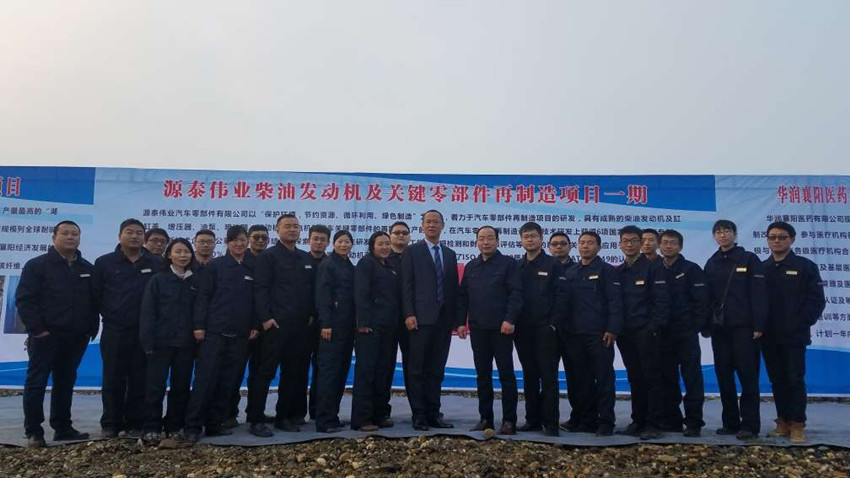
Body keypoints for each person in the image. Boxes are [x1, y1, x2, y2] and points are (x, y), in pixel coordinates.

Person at [16, 220, 97, 448]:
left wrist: (90, 328)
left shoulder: (87, 268)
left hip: (76, 336)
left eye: (75, 234)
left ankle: (62, 427)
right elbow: (25, 300)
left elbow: (94, 301)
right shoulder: (37, 265)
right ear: (54, 238)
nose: (70, 237)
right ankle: (33, 431)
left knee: (65, 381)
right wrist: (38, 330)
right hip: (45, 336)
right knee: (37, 382)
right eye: (65, 233)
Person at [183, 226, 259, 442]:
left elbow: (257, 299)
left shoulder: (252, 268)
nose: (239, 244)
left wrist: (255, 325)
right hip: (214, 333)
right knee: (205, 380)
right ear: (227, 243)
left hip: (240, 335)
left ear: (247, 242)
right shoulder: (215, 267)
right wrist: (199, 326)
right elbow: (203, 298)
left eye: (242, 240)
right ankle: (192, 426)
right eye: (234, 240)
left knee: (228, 381)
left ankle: (214, 424)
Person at [248, 214, 316, 437]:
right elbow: (260, 289)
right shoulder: (268, 257)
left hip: (300, 326)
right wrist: (266, 318)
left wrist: (310, 315)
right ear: (278, 230)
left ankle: (283, 417)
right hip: (275, 325)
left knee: (293, 373)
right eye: (287, 226)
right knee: (265, 372)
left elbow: (310, 291)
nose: (292, 230)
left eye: (296, 226)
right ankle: (256, 419)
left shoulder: (304, 257)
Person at [94, 218, 162, 438]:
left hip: (144, 331)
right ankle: (111, 423)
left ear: (144, 237)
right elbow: (95, 295)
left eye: (139, 233)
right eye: (129, 232)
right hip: (115, 329)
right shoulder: (105, 263)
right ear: (119, 235)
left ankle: (135, 422)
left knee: (140, 378)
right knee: (112, 378)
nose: (134, 236)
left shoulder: (156, 262)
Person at [762, 221, 826, 443]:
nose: (777, 241)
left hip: (794, 335)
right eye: (772, 237)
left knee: (794, 379)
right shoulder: (763, 268)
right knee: (777, 380)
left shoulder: (805, 266)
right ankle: (783, 421)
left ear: (792, 239)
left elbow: (816, 301)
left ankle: (798, 424)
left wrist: (800, 323)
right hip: (768, 336)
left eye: (782, 237)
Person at [704, 219, 768, 440]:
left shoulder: (749, 259)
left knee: (748, 376)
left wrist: (759, 324)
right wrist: (706, 325)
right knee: (724, 376)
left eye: (727, 231)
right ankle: (730, 423)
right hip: (720, 330)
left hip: (745, 328)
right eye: (718, 232)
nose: (722, 235)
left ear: (735, 234)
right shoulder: (711, 263)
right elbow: (706, 298)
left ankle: (750, 425)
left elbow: (759, 294)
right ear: (714, 236)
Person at [457, 226, 522, 435]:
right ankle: (485, 418)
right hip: (478, 329)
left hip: (501, 329)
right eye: (482, 239)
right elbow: (463, 297)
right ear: (476, 242)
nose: (486, 242)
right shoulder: (471, 266)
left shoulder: (508, 264)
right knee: (482, 375)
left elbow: (516, 294)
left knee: (506, 375)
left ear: (498, 241)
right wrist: (461, 323)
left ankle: (509, 420)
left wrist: (510, 319)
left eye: (490, 238)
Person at [401, 210, 459, 431]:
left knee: (436, 368)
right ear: (422, 226)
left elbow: (452, 288)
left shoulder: (450, 254)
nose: (432, 225)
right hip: (419, 318)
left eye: (436, 222)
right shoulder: (412, 251)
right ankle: (419, 415)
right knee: (417, 368)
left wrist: (456, 319)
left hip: (443, 320)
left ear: (443, 225)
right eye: (428, 222)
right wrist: (409, 313)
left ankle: (434, 413)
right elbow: (406, 285)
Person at [561, 231, 622, 436]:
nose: (585, 246)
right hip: (574, 335)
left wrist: (612, 329)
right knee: (581, 380)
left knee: (603, 379)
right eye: (582, 243)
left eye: (590, 243)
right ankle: (585, 419)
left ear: (599, 247)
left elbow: (615, 301)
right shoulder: (572, 271)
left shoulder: (607, 271)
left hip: (599, 335)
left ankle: (605, 421)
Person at [139, 238, 198, 443]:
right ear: (169, 255)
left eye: (186, 251)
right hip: (160, 343)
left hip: (186, 344)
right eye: (178, 251)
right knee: (155, 387)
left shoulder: (196, 281)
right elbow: (148, 312)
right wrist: (147, 341)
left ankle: (174, 425)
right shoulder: (158, 280)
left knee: (181, 387)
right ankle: (151, 426)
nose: (183, 255)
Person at [615, 225, 669, 440]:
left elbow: (662, 302)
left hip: (646, 332)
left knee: (652, 377)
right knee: (635, 377)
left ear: (641, 243)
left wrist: (654, 328)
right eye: (625, 241)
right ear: (620, 244)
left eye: (634, 241)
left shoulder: (653, 268)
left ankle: (654, 423)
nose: (629, 245)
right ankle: (638, 421)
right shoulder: (619, 271)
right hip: (625, 334)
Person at [659, 229, 711, 437]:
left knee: (692, 378)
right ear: (659, 246)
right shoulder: (655, 269)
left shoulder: (691, 269)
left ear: (680, 246)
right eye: (665, 242)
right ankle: (672, 420)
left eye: (673, 242)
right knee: (667, 378)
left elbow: (702, 302)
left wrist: (694, 326)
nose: (668, 246)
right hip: (663, 334)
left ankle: (694, 422)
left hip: (686, 334)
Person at [515, 222, 565, 436]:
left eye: (533, 236)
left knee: (549, 376)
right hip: (523, 330)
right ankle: (532, 420)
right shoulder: (517, 266)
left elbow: (562, 297)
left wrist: (553, 324)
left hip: (545, 329)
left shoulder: (553, 264)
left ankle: (551, 423)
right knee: (529, 375)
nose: (530, 239)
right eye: (526, 236)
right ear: (521, 240)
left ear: (541, 238)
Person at [351, 231, 401, 431]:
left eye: (387, 243)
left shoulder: (389, 266)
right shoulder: (366, 264)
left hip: (388, 327)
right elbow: (361, 293)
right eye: (380, 244)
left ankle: (379, 415)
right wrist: (363, 322)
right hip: (369, 328)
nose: (385, 247)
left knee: (383, 372)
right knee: (366, 372)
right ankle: (362, 419)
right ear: (372, 246)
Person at [224, 224, 271, 428]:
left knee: (259, 372)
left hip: (264, 327)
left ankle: (255, 413)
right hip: (241, 328)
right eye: (256, 237)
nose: (260, 241)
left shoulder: (270, 259)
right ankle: (228, 414)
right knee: (234, 372)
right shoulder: (241, 260)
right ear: (249, 239)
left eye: (264, 238)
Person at [314, 230, 357, 433]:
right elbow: (323, 296)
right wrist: (326, 324)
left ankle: (333, 415)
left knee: (340, 373)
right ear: (334, 243)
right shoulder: (328, 265)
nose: (343, 245)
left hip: (347, 327)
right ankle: (324, 420)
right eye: (340, 241)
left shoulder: (349, 265)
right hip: (331, 328)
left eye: (347, 242)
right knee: (329, 373)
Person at [548, 232, 583, 432]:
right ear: (549, 247)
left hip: (572, 331)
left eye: (563, 244)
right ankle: (547, 419)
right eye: (554, 244)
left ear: (570, 247)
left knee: (576, 377)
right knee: (548, 377)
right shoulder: (544, 267)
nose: (558, 247)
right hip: (548, 332)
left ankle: (579, 417)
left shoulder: (578, 269)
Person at [385, 220, 411, 421]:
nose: (400, 236)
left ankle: (419, 411)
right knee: (385, 366)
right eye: (396, 233)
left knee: (414, 367)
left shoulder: (415, 256)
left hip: (411, 321)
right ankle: (382, 410)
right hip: (388, 321)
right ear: (390, 236)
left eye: (404, 233)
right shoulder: (382, 258)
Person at [304, 224, 330, 422]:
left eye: (323, 239)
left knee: (322, 369)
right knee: (299, 368)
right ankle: (295, 413)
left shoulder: (331, 263)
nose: (319, 242)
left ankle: (317, 410)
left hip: (325, 325)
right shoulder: (300, 261)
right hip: (302, 324)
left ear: (328, 242)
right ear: (308, 240)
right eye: (315, 238)